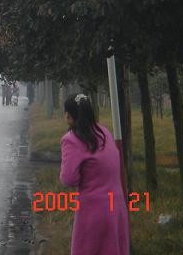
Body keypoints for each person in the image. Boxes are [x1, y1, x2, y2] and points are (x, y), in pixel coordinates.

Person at [60, 94, 129, 255]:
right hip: (116, 206)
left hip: (93, 211)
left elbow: (69, 178)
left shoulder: (71, 139)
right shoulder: (105, 132)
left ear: (69, 116)